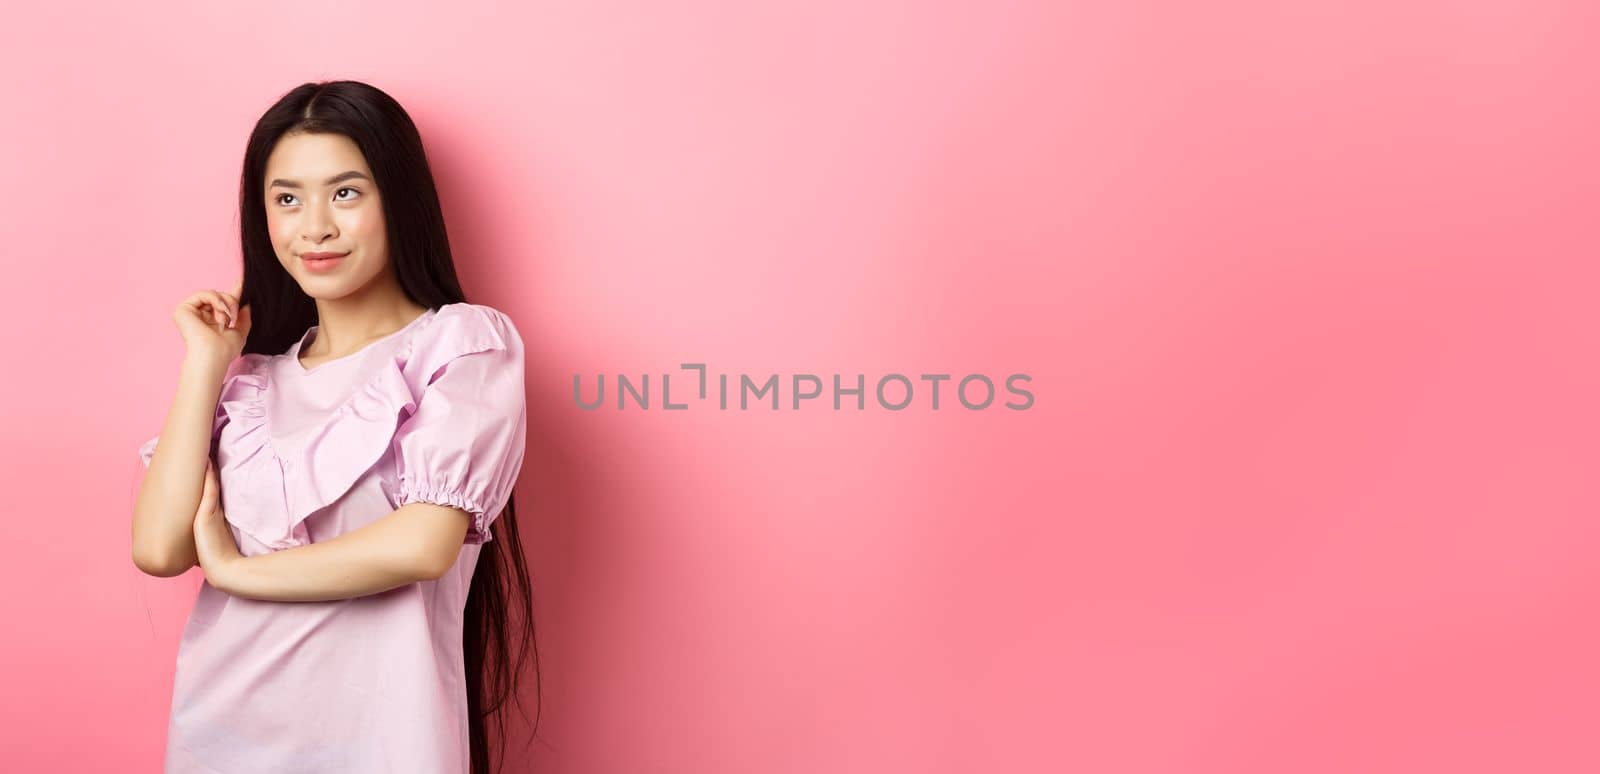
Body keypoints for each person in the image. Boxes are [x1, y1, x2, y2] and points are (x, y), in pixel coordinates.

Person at [130, 80, 540, 773]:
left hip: (386, 746)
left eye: (346, 193)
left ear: (399, 202)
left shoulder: (462, 346)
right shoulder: (247, 383)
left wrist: (234, 569)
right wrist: (206, 363)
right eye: (286, 198)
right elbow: (160, 548)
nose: (313, 226)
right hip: (221, 735)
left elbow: (421, 545)